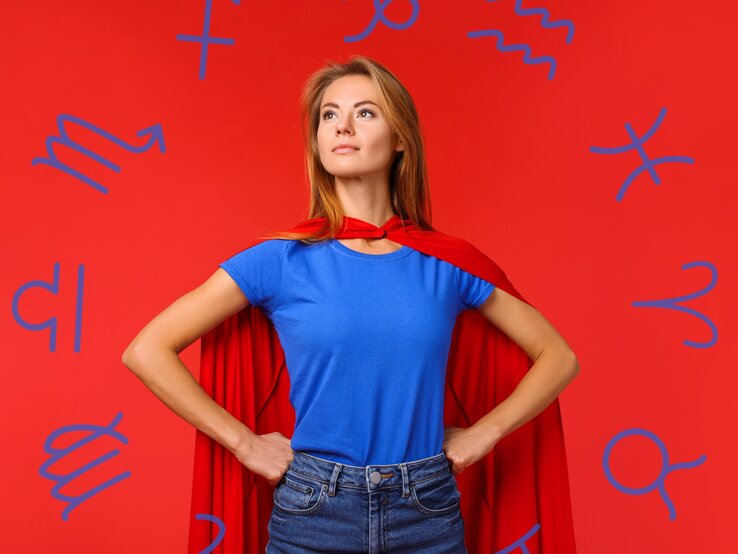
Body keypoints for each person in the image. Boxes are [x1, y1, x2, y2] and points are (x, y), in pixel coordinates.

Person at [122, 55, 580, 553]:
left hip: (426, 508)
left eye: (365, 112)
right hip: (313, 508)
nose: (342, 125)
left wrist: (484, 434)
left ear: (400, 138)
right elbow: (147, 349)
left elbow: (559, 357)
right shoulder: (280, 260)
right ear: (317, 144)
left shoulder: (449, 264)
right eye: (328, 116)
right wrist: (245, 443)